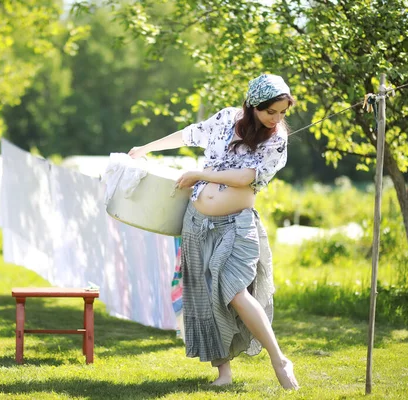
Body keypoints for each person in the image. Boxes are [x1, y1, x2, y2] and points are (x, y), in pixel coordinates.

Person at [128, 74, 299, 390]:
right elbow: (190, 135)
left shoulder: (277, 139)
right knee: (206, 298)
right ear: (252, 106)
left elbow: (248, 176)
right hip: (196, 222)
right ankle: (224, 374)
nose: (276, 119)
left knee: (234, 290)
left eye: (282, 112)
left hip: (236, 223)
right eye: (270, 112)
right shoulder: (225, 119)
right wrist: (146, 148)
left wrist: (199, 174)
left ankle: (279, 359)